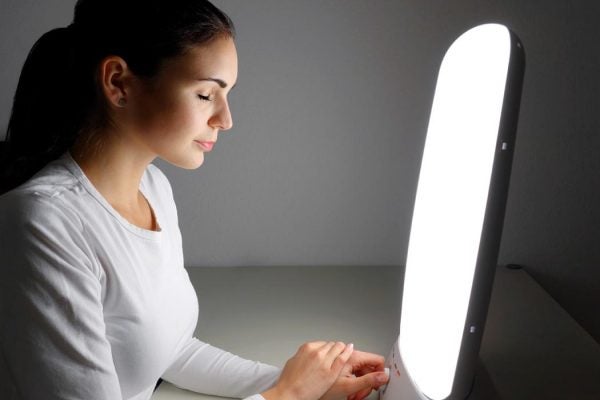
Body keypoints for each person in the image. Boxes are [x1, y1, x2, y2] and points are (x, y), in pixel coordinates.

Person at [0, 1, 390, 399]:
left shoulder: (154, 189)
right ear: (118, 83)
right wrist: (287, 395)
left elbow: (173, 351)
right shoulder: (41, 223)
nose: (226, 119)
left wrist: (310, 384)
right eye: (206, 94)